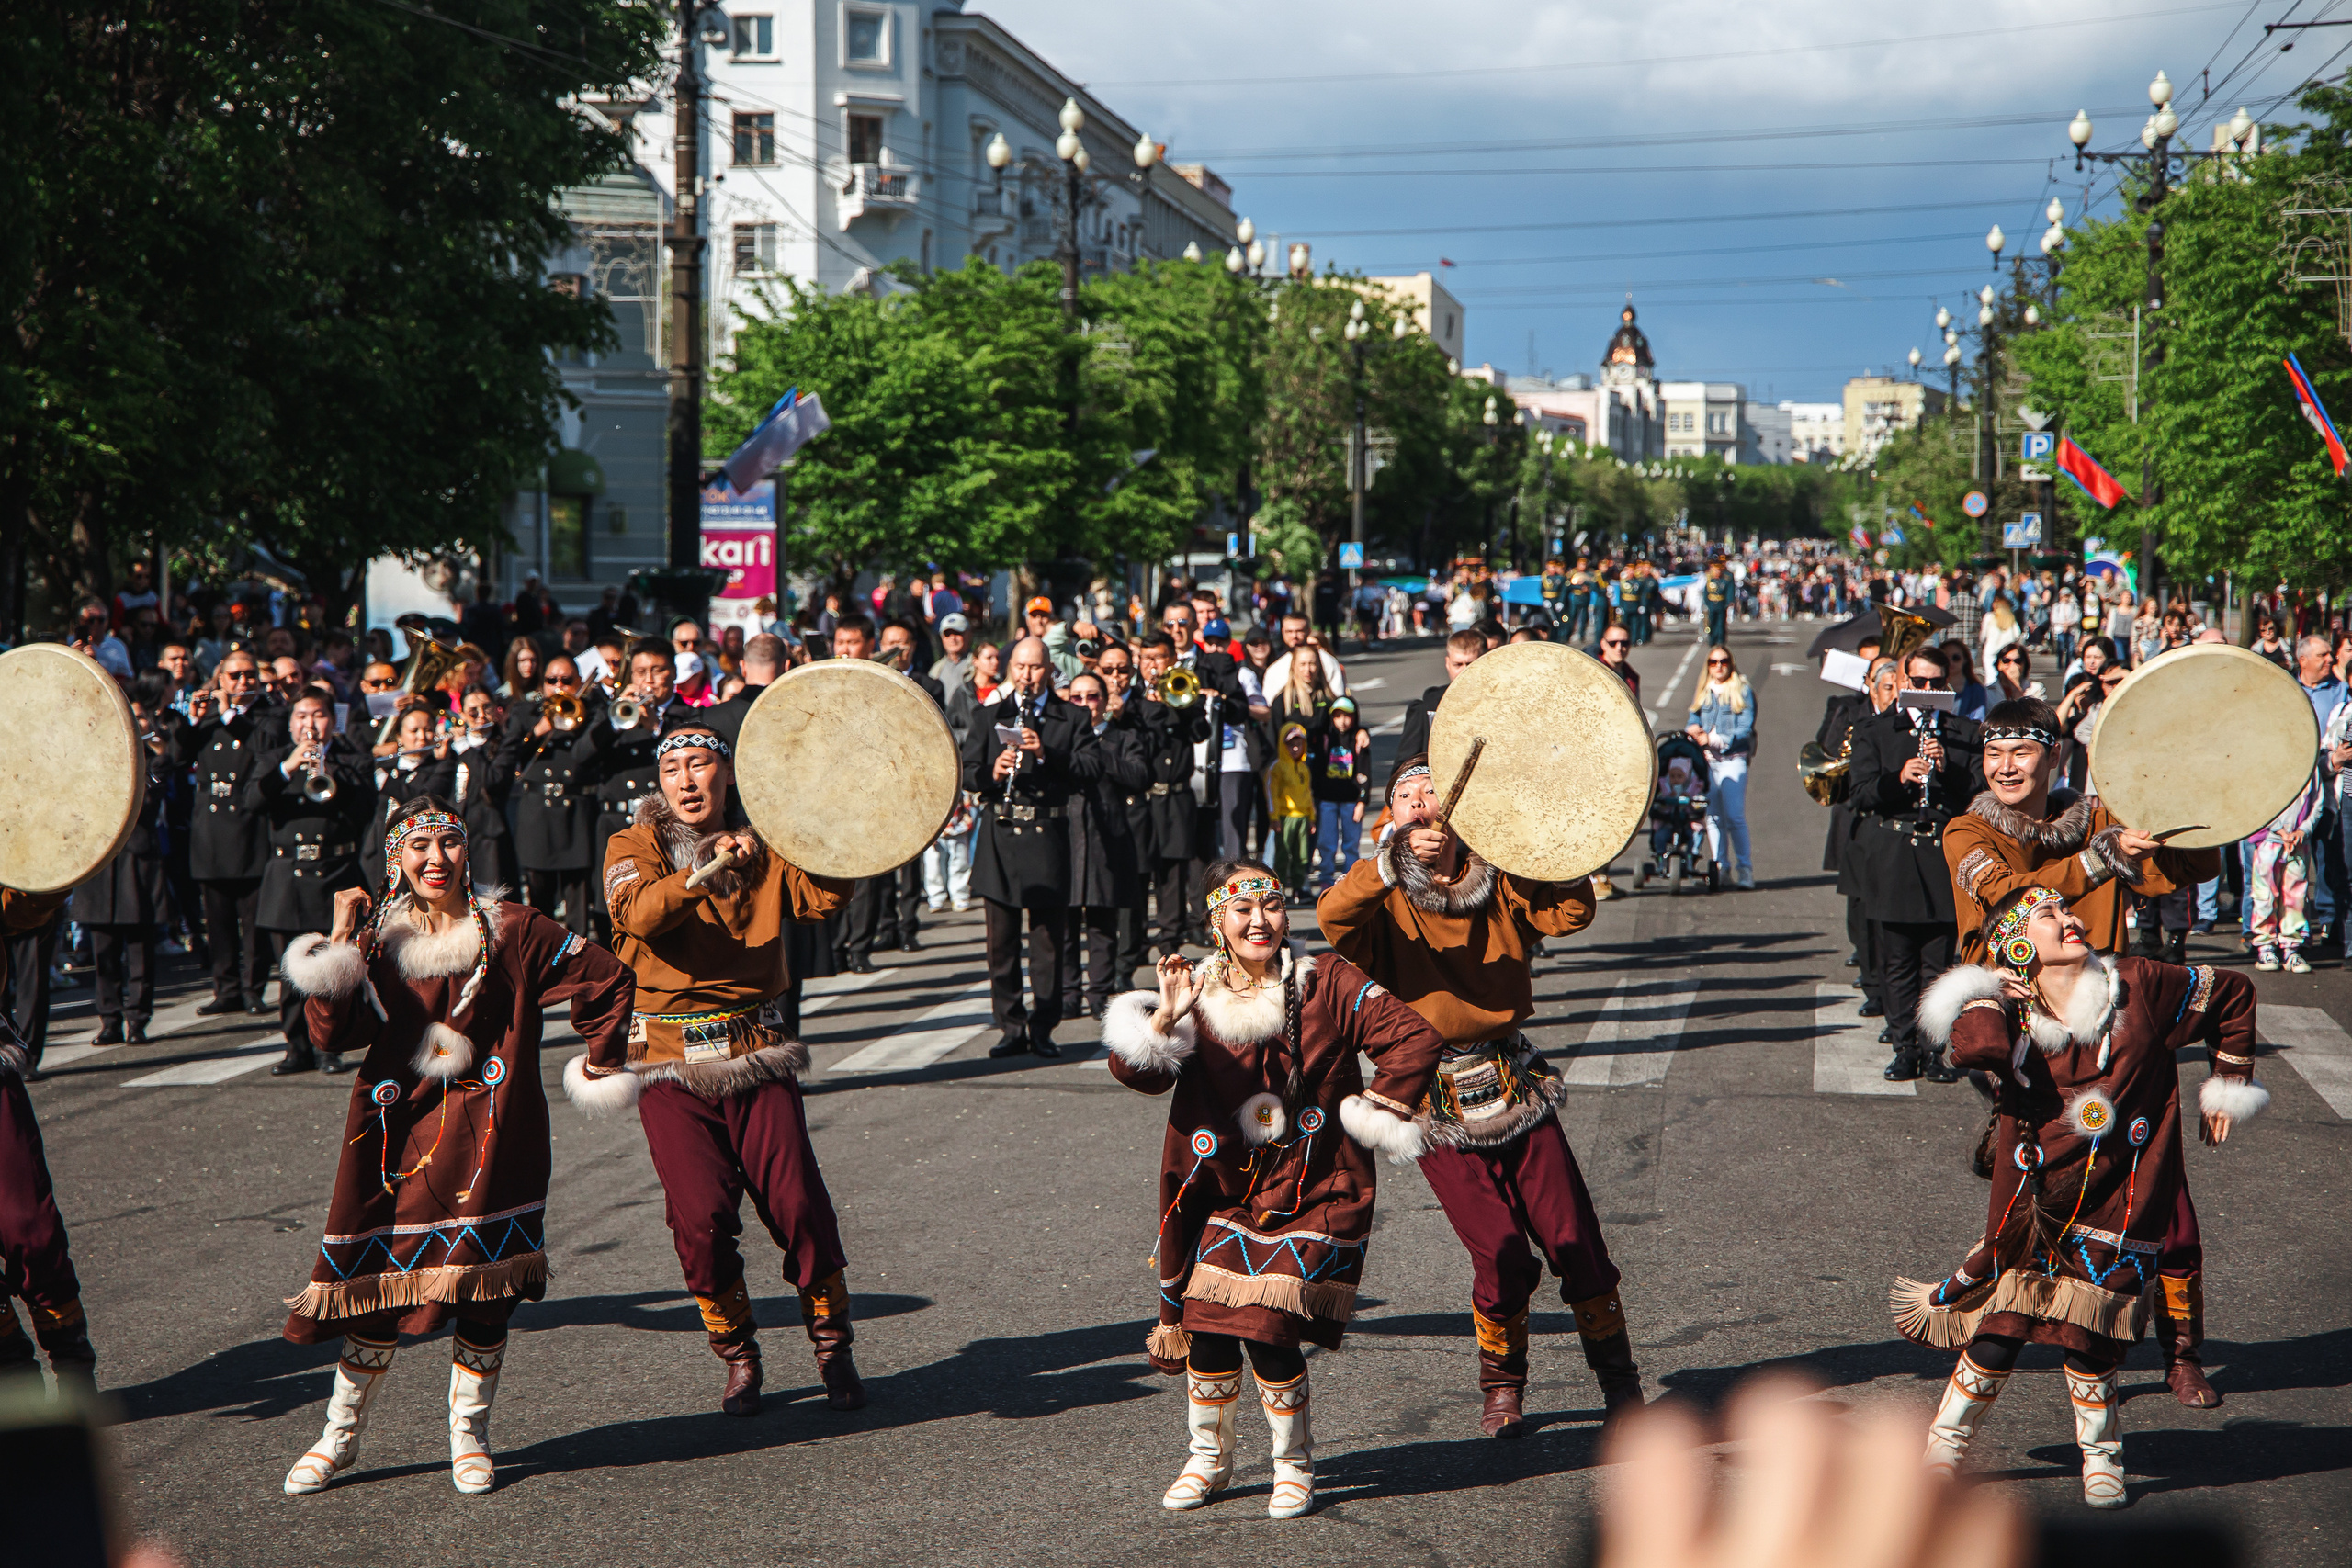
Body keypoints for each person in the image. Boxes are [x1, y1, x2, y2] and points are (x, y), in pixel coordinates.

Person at [276, 795, 632, 1495]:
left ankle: (469, 1435)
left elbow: (607, 974)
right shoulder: (376, 938)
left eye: (448, 842)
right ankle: (338, 1437)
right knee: (372, 1289)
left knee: (482, 1290)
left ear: (468, 850)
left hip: (492, 1130)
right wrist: (341, 935)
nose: (435, 857)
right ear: (394, 859)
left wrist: (601, 1062)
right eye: (418, 845)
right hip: (390, 1130)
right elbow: (327, 1034)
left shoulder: (515, 928)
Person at [1896, 885, 2266, 1508]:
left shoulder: (2140, 980)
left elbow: (2232, 991)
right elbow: (1975, 1046)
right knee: (2000, 1330)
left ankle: (2103, 1456)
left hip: (2119, 1201)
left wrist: (2229, 1078)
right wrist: (1990, 985)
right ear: (2017, 942)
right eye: (2049, 915)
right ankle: (1943, 1449)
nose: (2070, 919)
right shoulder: (2005, 1013)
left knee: (2089, 1340)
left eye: (2069, 910)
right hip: (2034, 1203)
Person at [1102, 859, 1444, 1517]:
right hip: (1223, 1190)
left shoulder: (1327, 979)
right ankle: (1209, 1458)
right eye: (1242, 909)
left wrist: (1370, 1114)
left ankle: (1294, 1463)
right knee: (1206, 1326)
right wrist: (1164, 1019)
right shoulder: (1196, 991)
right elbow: (1135, 1073)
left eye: (1273, 905)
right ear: (1217, 921)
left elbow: (1413, 1037)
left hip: (1315, 1182)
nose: (1260, 920)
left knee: (1266, 1327)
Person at [1318, 759, 1644, 1438]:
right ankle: (1502, 1388)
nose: (1418, 800)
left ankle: (1622, 1386)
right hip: (1429, 1094)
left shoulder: (1493, 874)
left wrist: (1536, 848)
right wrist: (1389, 861)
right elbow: (1332, 917)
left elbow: (1570, 910)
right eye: (1403, 794)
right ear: (1391, 817)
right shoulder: (1381, 894)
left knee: (1575, 1241)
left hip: (1510, 1077)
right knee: (1498, 1249)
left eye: (1429, 788)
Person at [590, 721, 868, 1418]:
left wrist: (845, 826)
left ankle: (833, 1345)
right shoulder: (633, 846)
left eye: (702, 764)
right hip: (667, 1062)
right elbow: (642, 915)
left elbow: (822, 897)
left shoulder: (764, 842)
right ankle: (739, 1353)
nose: (687, 779)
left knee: (798, 1204)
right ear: (660, 781)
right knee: (701, 1219)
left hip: (755, 1051)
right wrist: (708, 869)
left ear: (729, 776)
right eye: (674, 766)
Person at [961, 637, 1102, 1058]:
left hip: (1047, 833)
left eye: (1035, 667)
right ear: (1010, 668)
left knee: (1047, 941)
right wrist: (992, 770)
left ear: (1048, 670)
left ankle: (1043, 1026)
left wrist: (1047, 752)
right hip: (1001, 832)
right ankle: (1010, 1025)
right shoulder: (988, 716)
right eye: (1020, 666)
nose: (1026, 675)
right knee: (999, 942)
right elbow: (966, 773)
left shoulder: (1070, 716)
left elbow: (1090, 768)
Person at [1846, 645, 1980, 1082]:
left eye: (1936, 684)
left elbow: (1980, 796)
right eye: (1918, 683)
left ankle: (1933, 1049)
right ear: (1904, 682)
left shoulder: (1964, 733)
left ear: (1948, 685)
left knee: (1938, 961)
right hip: (1894, 854)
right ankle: (1904, 1046)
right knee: (1897, 959)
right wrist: (1899, 778)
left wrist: (1948, 770)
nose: (1926, 690)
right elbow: (1861, 793)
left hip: (1943, 853)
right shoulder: (1876, 729)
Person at [249, 692, 378, 1075]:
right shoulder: (273, 761)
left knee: (332, 965)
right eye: (301, 715)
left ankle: (329, 1045)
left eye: (318, 715)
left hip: (335, 873)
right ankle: (296, 1047)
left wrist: (335, 776)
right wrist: (289, 767)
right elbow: (251, 802)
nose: (309, 723)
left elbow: (366, 811)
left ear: (331, 722)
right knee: (291, 972)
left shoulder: (351, 762)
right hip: (287, 878)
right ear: (290, 724)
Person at [173, 650, 283, 1016]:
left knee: (252, 921)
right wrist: (192, 719)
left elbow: (264, 746)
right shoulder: (207, 719)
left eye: (249, 675)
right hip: (211, 827)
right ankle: (225, 988)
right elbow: (175, 757)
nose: (242, 682)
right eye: (234, 676)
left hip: (249, 823)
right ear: (220, 680)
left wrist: (228, 714)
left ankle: (253, 988)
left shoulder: (270, 714)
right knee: (217, 919)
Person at [69, 691, 175, 1047]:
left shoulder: (155, 761)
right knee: (104, 950)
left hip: (137, 862)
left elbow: (144, 803)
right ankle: (109, 1019)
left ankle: (138, 1019)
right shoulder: (90, 760)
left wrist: (136, 754)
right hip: (101, 863)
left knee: (140, 949)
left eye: (139, 718)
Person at [1061, 671, 1150, 1020]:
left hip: (1108, 839)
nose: (1085, 705)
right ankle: (1067, 993)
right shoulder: (1061, 737)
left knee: (1102, 922)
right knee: (1065, 923)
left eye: (1092, 697)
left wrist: (1096, 750)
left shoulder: (1123, 737)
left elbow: (1140, 776)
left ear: (1105, 700)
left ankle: (1100, 991)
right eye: (1077, 698)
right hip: (1067, 838)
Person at [502, 658, 597, 939]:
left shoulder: (589, 713)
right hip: (537, 813)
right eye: (552, 680)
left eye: (567, 681)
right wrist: (536, 732)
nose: (559, 687)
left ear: (579, 683)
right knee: (539, 900)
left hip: (574, 813)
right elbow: (506, 757)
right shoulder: (525, 712)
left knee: (578, 902)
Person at [1135, 634, 1214, 956]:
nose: (1153, 664)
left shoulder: (1184, 692)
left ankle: (1170, 938)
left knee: (1173, 871)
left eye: (1160, 658)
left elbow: (1201, 733)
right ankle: (1136, 938)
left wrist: (1180, 705)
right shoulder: (1131, 699)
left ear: (1172, 661)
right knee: (1139, 871)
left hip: (1177, 796)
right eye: (1147, 658)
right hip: (1141, 797)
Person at [1685, 646, 1756, 889]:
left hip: (1732, 760)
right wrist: (1692, 731)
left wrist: (1714, 740)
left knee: (1735, 816)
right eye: (1713, 662)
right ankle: (1720, 867)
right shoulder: (1704, 690)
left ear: (1731, 664)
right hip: (1708, 763)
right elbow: (1693, 718)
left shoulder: (1742, 690)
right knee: (1712, 817)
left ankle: (1745, 869)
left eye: (1724, 661)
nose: (1718, 666)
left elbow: (1744, 729)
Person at [2246, 771, 2321, 973]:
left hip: (2298, 841)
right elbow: (2256, 798)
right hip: (2269, 840)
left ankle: (2292, 948)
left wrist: (2303, 830)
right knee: (2265, 894)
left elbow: (2317, 801)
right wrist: (2280, 830)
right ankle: (2265, 946)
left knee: (2295, 896)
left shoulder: (2311, 767)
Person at [1396, 628, 1486, 765]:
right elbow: (1405, 765)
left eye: (1471, 664)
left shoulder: (1501, 703)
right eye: (1458, 664)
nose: (1464, 671)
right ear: (1447, 663)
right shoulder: (1428, 707)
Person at [1308, 697, 1369, 894]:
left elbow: (1365, 771)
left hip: (1351, 800)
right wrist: (1314, 800)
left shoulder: (1359, 739)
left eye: (1348, 716)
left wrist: (1362, 800)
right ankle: (1326, 878)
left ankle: (1350, 878)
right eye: (1337, 716)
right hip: (1326, 799)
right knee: (1327, 842)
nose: (1343, 721)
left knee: (1351, 843)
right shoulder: (1324, 737)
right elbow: (1316, 770)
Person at [1266, 722, 1316, 903]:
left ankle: (1299, 889)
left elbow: (1308, 794)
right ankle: (1279, 890)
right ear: (1283, 745)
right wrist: (1274, 817)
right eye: (1290, 745)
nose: (1295, 749)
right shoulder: (1278, 768)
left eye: (1299, 744)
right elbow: (1273, 794)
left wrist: (1311, 818)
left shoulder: (1304, 768)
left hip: (1302, 817)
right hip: (1285, 817)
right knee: (1282, 855)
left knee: (1301, 856)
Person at [929, 611, 974, 696]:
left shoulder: (978, 665)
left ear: (969, 634)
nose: (952, 638)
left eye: (958, 633)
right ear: (942, 638)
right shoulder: (936, 670)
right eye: (947, 634)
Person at [1701, 559, 1731, 647]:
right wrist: (1706, 603)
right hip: (1712, 604)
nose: (1717, 572)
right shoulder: (1710, 580)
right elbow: (1706, 593)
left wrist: (1727, 602)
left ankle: (1720, 639)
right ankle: (1712, 639)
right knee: (1712, 622)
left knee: (1721, 623)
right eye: (1715, 570)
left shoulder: (1724, 580)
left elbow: (1726, 592)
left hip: (1721, 604)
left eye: (1718, 570)